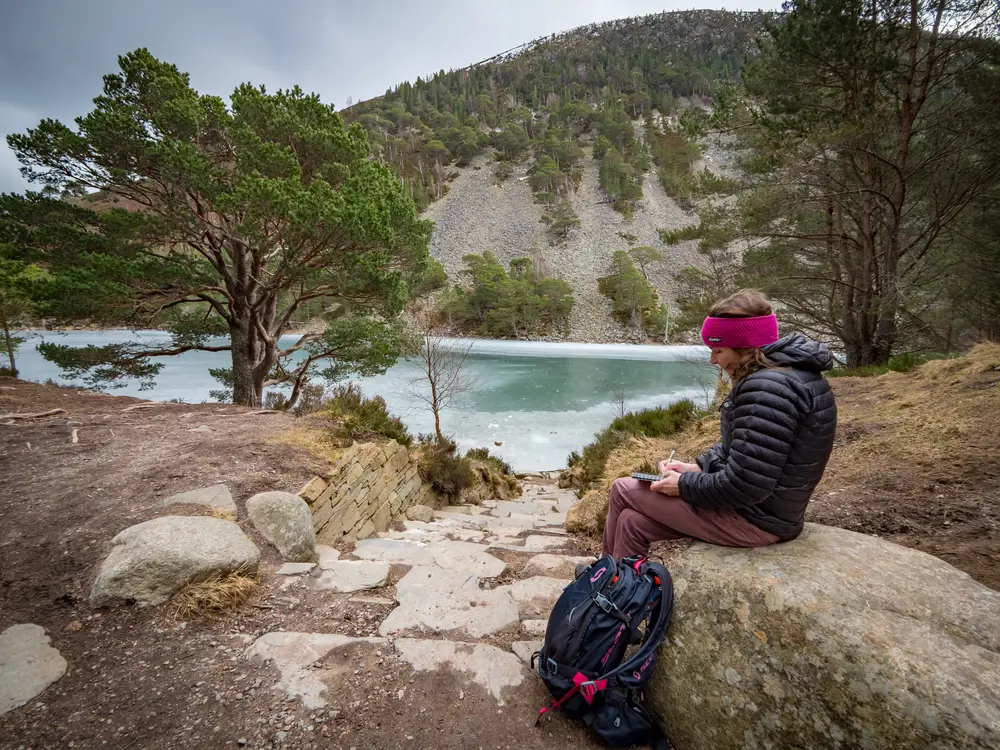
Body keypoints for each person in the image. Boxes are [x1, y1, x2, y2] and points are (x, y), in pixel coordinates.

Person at [601, 289, 837, 560]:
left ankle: (603, 579)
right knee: (632, 521)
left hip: (756, 519)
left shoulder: (767, 389)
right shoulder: (791, 375)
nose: (713, 360)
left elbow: (746, 486)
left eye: (718, 350)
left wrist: (685, 484)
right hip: (771, 512)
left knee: (623, 489)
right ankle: (622, 588)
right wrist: (698, 467)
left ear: (745, 347)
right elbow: (750, 450)